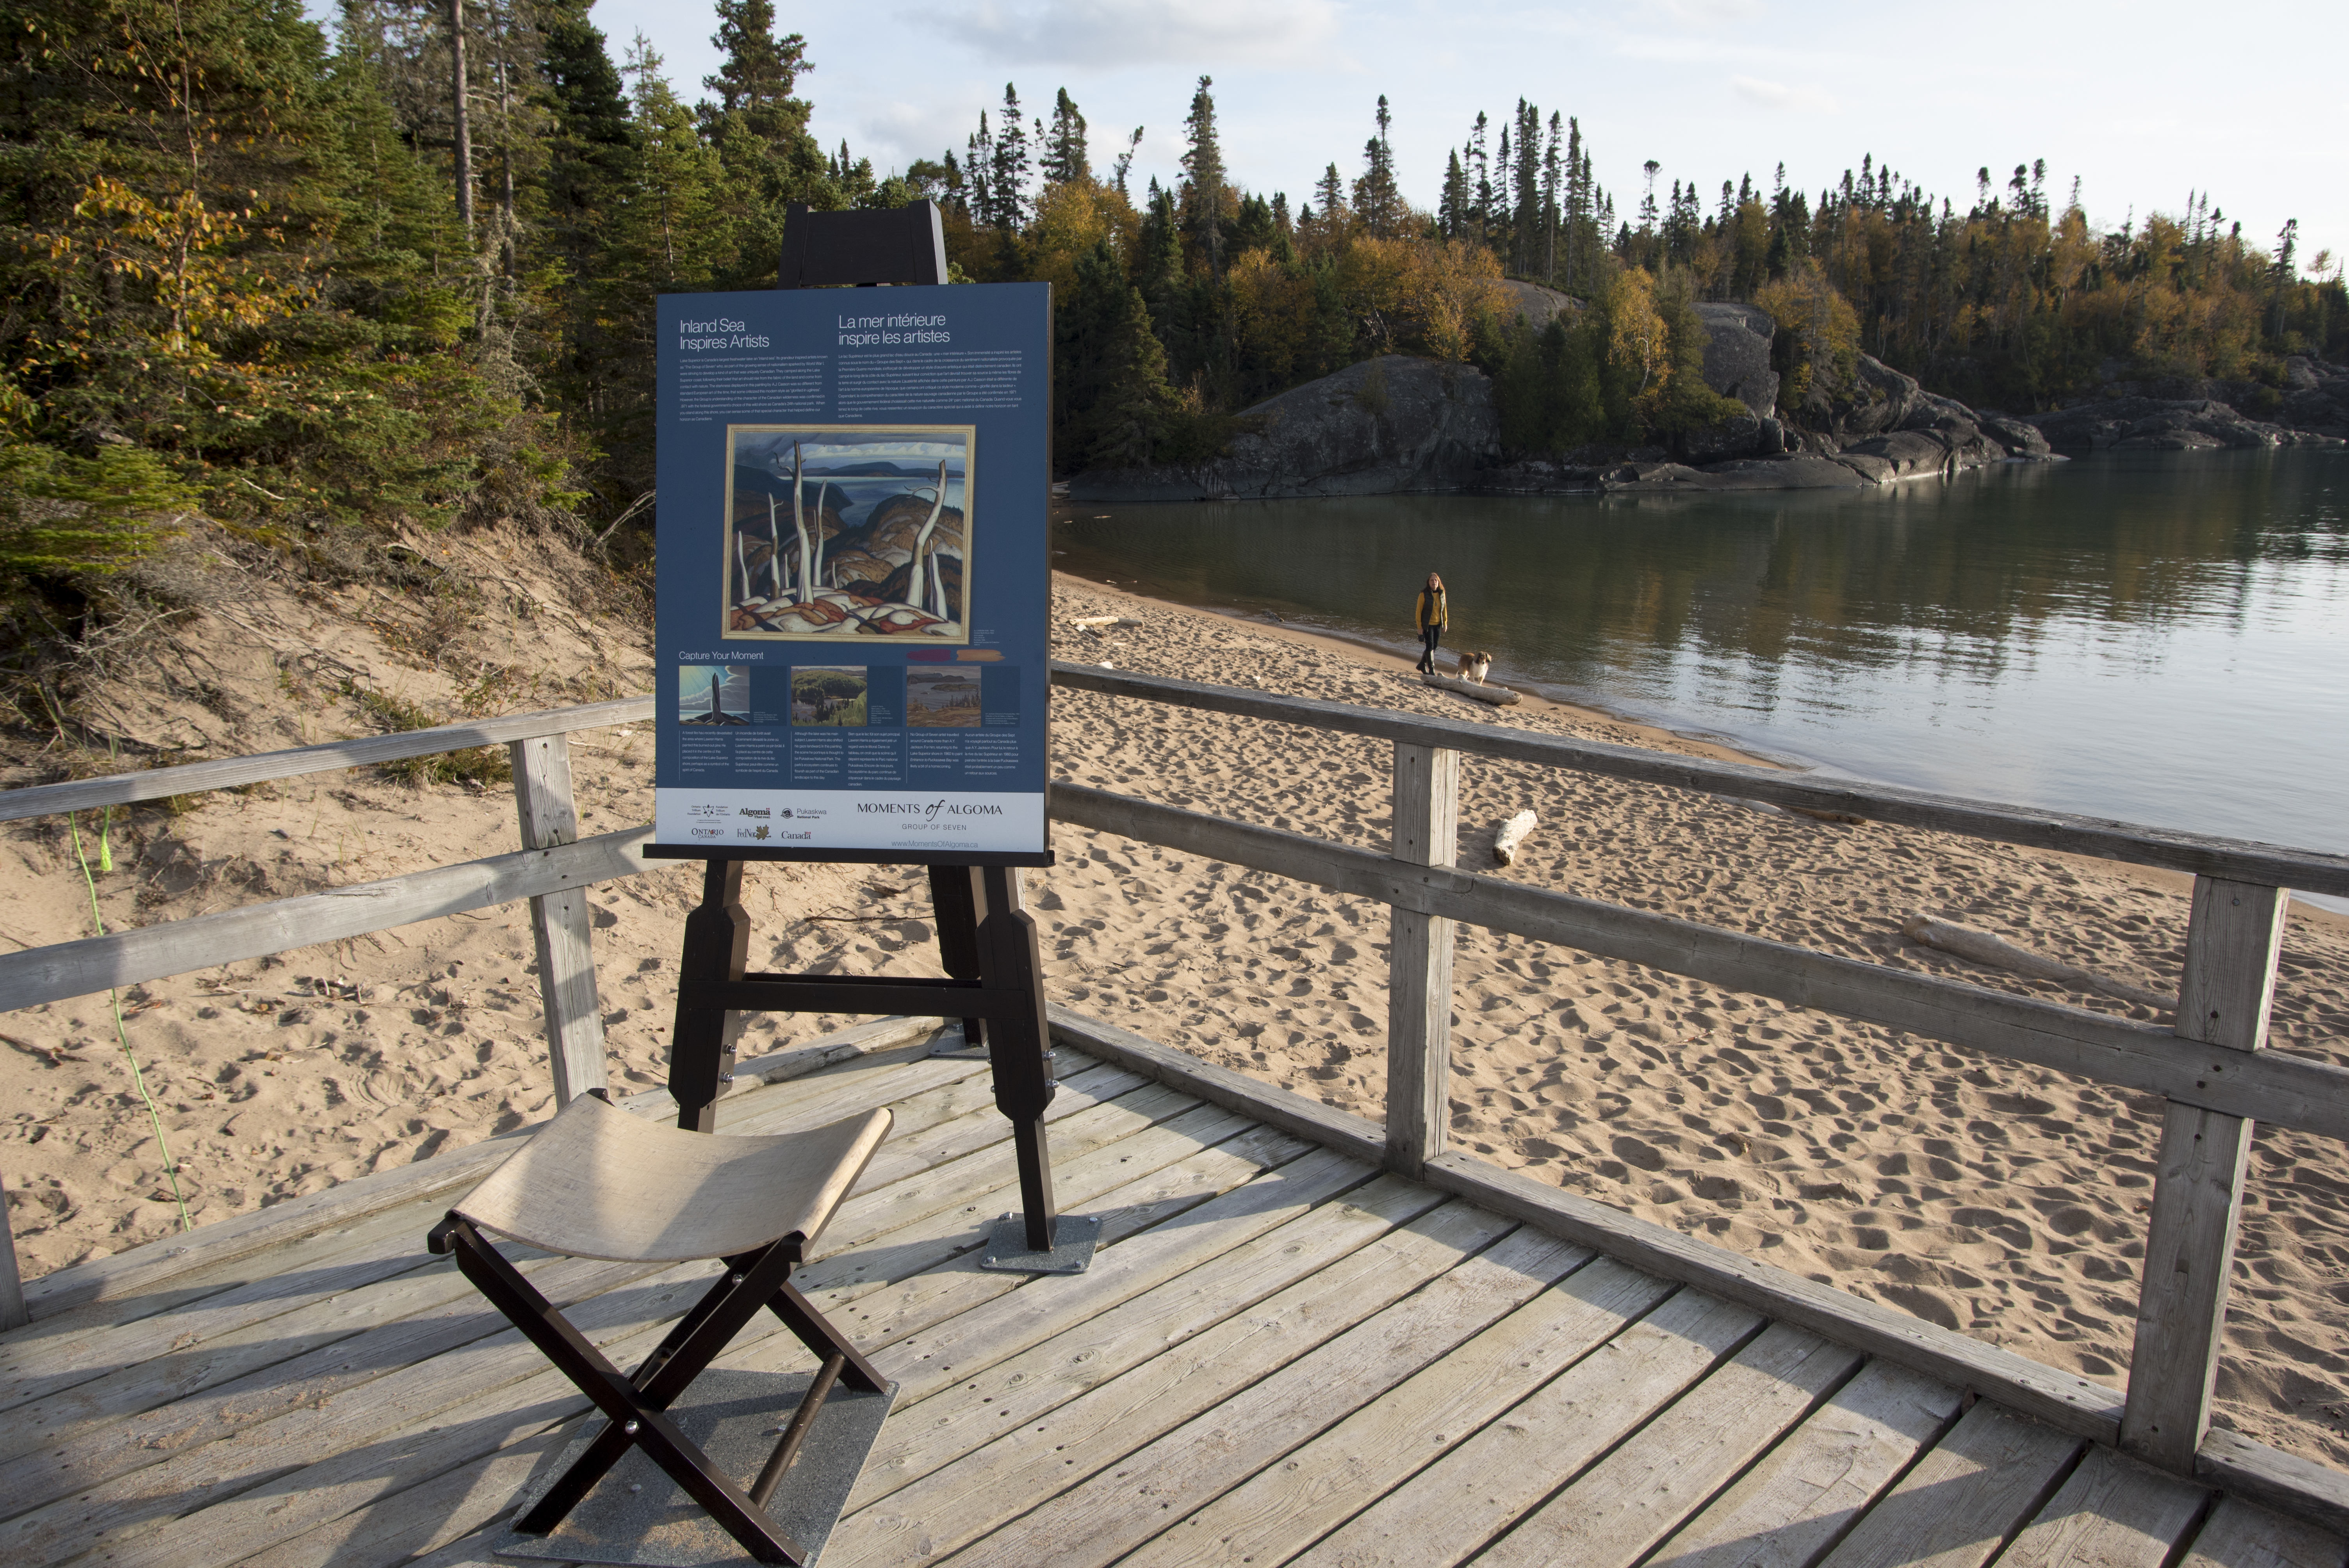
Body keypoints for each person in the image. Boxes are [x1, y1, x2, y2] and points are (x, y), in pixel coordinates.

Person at [1413, 572, 1447, 674]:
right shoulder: (1423, 594)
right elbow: (1418, 612)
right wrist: (1419, 627)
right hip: (1427, 626)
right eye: (1432, 580)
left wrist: (1445, 622)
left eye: (1436, 580)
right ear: (1429, 583)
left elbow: (1444, 609)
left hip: (1438, 625)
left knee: (1435, 646)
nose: (1434, 582)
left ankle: (1422, 665)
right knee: (1430, 647)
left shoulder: (1442, 594)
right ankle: (1431, 669)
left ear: (1439, 582)